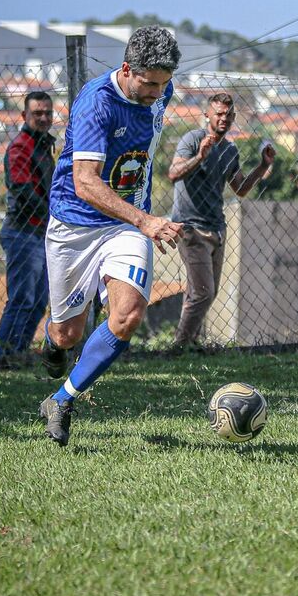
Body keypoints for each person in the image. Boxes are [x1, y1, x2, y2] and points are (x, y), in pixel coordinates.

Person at [38, 26, 183, 447]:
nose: (158, 92)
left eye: (164, 82)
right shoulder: (96, 104)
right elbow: (85, 183)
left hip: (125, 227)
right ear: (126, 69)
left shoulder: (161, 91)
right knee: (68, 334)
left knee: (128, 315)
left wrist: (140, 222)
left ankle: (62, 399)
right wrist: (146, 221)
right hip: (74, 226)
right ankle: (53, 341)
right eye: (150, 83)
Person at [167, 92, 275, 350]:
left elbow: (239, 188)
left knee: (203, 292)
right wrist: (199, 158)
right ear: (207, 115)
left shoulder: (229, 150)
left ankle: (189, 343)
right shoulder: (192, 140)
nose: (223, 118)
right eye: (218, 113)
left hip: (216, 228)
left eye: (228, 114)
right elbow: (173, 173)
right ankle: (179, 348)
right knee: (203, 293)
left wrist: (262, 166)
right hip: (190, 228)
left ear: (234, 117)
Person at [0, 91, 55, 355]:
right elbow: (22, 190)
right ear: (24, 116)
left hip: (39, 231)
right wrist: (52, 215)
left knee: (39, 300)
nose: (43, 118)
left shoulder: (42, 144)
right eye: (37, 113)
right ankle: (5, 356)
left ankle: (17, 353)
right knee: (22, 299)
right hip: (24, 231)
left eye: (47, 113)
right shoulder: (22, 146)